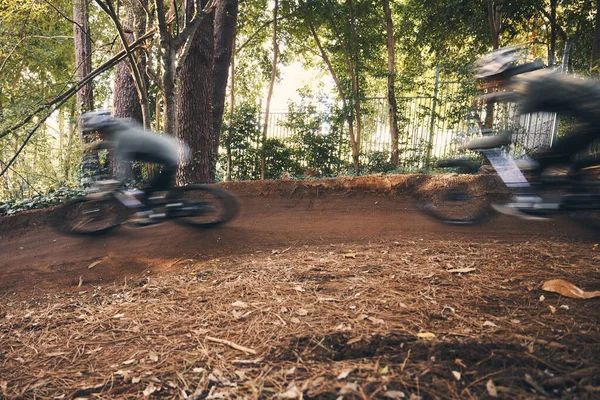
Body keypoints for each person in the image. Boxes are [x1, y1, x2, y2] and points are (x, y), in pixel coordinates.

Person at [81, 110, 191, 224]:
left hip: (170, 156)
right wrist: (99, 145)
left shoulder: (122, 138)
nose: (98, 135)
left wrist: (114, 184)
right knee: (161, 188)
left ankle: (149, 216)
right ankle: (171, 206)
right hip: (172, 151)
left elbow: (124, 169)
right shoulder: (121, 130)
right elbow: (119, 141)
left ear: (105, 128)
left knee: (147, 192)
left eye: (98, 131)